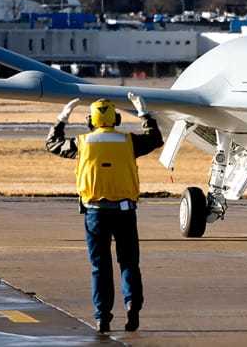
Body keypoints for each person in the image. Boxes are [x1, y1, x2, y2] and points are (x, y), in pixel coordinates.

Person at [46, 93, 163, 333]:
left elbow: (52, 144)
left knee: (100, 266)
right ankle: (132, 304)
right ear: (116, 119)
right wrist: (144, 114)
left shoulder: (82, 143)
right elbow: (155, 139)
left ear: (90, 121)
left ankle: (102, 317)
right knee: (129, 262)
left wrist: (62, 117)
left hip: (95, 213)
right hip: (125, 211)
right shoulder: (129, 141)